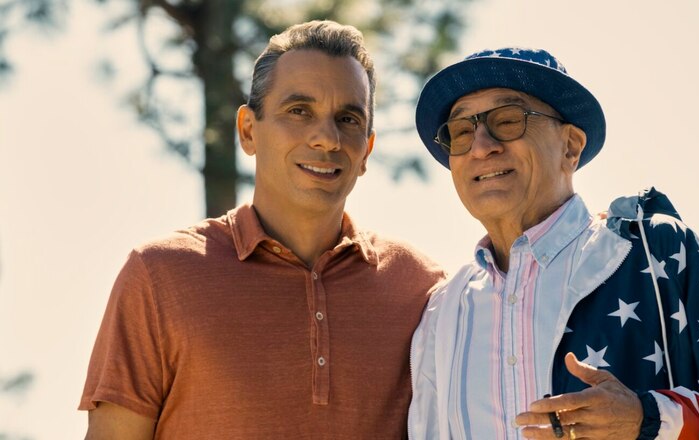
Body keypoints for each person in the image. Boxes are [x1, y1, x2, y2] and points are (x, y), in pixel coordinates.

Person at [408, 47, 699, 439]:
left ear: (571, 147)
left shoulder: (653, 247)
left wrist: (646, 419)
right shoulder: (441, 312)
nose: (481, 146)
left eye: (508, 120)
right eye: (461, 131)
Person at [79, 20, 444, 439]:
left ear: (367, 151)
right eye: (299, 111)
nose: (327, 138)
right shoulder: (160, 276)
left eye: (347, 118)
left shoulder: (422, 289)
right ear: (248, 131)